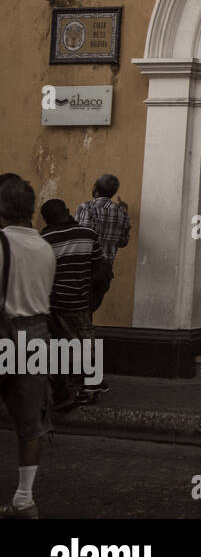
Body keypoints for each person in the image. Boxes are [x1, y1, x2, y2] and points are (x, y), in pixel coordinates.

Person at [0, 177, 57, 518]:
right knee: (30, 423)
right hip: (37, 339)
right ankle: (25, 499)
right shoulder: (45, 247)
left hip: (4, 334)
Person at [39, 199, 105, 409]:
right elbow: (98, 267)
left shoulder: (44, 240)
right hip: (81, 299)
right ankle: (91, 385)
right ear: (67, 211)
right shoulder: (88, 234)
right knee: (86, 340)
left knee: (63, 343)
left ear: (46, 219)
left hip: (56, 301)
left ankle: (74, 386)